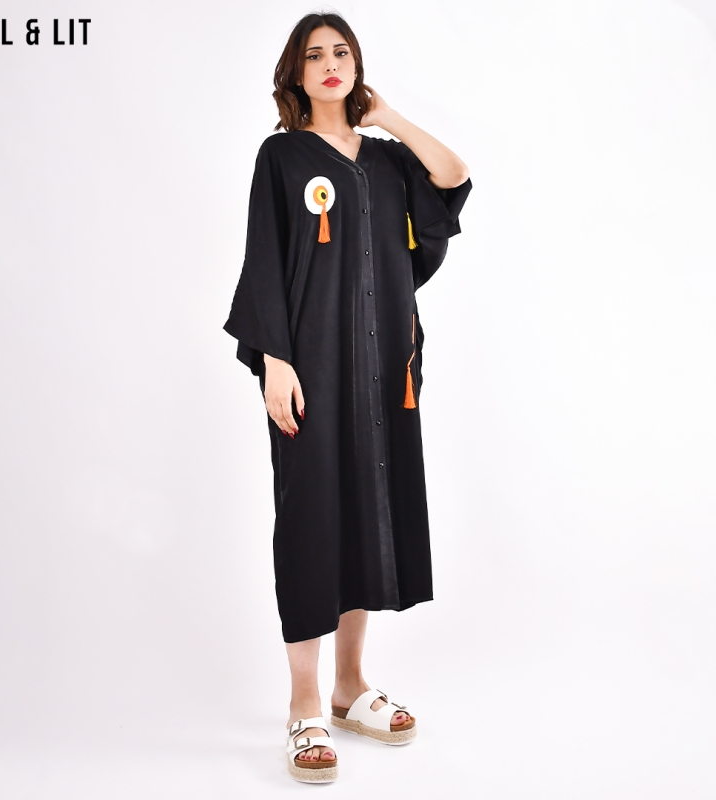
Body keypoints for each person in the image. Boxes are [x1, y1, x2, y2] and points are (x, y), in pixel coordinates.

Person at [223, 12, 472, 784]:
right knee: (310, 519)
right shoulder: (281, 157)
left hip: (384, 369)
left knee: (369, 510)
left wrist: (386, 115)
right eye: (314, 55)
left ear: (357, 65)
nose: (330, 64)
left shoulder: (389, 161)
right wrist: (275, 359)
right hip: (311, 368)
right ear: (295, 74)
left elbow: (453, 177)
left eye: (342, 52)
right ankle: (304, 703)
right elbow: (265, 256)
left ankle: (349, 686)